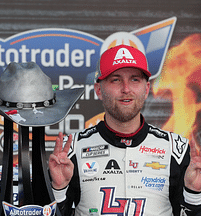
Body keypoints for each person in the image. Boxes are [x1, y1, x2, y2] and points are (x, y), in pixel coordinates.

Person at [49, 44, 201, 216]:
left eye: (134, 79)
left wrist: (194, 195)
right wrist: (58, 191)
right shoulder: (72, 150)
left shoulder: (177, 150)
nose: (126, 89)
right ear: (98, 90)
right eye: (116, 79)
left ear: (146, 89)